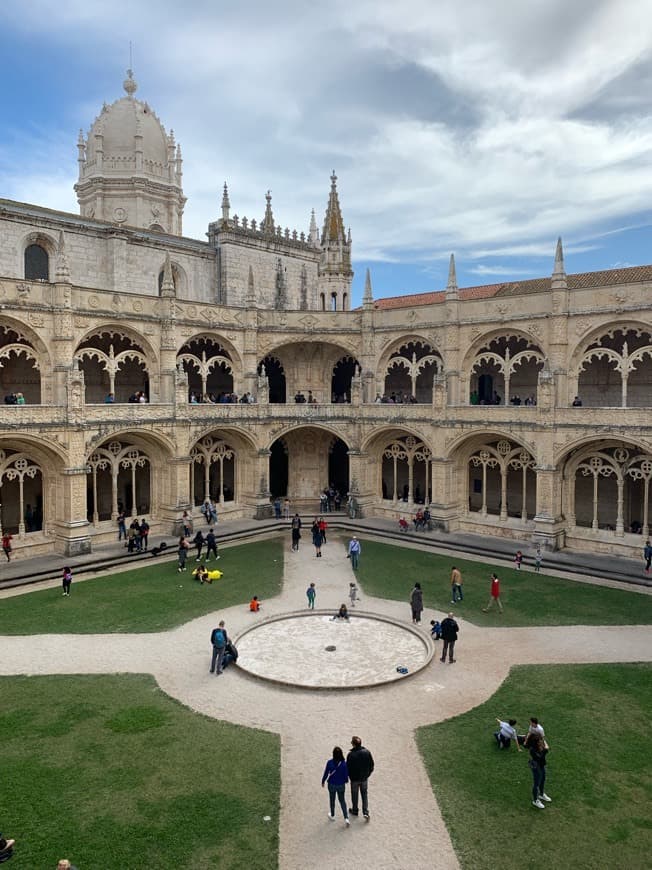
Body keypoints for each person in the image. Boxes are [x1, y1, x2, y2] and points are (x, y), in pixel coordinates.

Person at [347, 736, 374, 820]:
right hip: (364, 778)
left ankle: (355, 810)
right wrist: (367, 774)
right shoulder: (367, 752)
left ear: (353, 744)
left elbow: (348, 768)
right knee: (364, 795)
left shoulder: (351, 755)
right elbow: (371, 765)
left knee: (354, 795)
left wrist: (350, 777)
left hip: (355, 779)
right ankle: (365, 812)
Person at [321, 746, 350, 825]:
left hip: (332, 784)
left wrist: (323, 781)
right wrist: (346, 780)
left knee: (332, 800)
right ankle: (346, 817)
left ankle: (333, 814)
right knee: (342, 801)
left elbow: (326, 773)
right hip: (341, 785)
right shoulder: (344, 763)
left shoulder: (330, 762)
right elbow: (346, 774)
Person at [528, 731, 551, 809]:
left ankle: (541, 794)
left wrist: (545, 747)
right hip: (536, 767)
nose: (541, 741)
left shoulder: (540, 745)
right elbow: (539, 757)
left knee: (543, 779)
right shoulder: (532, 749)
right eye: (540, 741)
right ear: (536, 742)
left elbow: (545, 747)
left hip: (542, 765)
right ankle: (535, 800)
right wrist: (545, 750)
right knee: (536, 783)